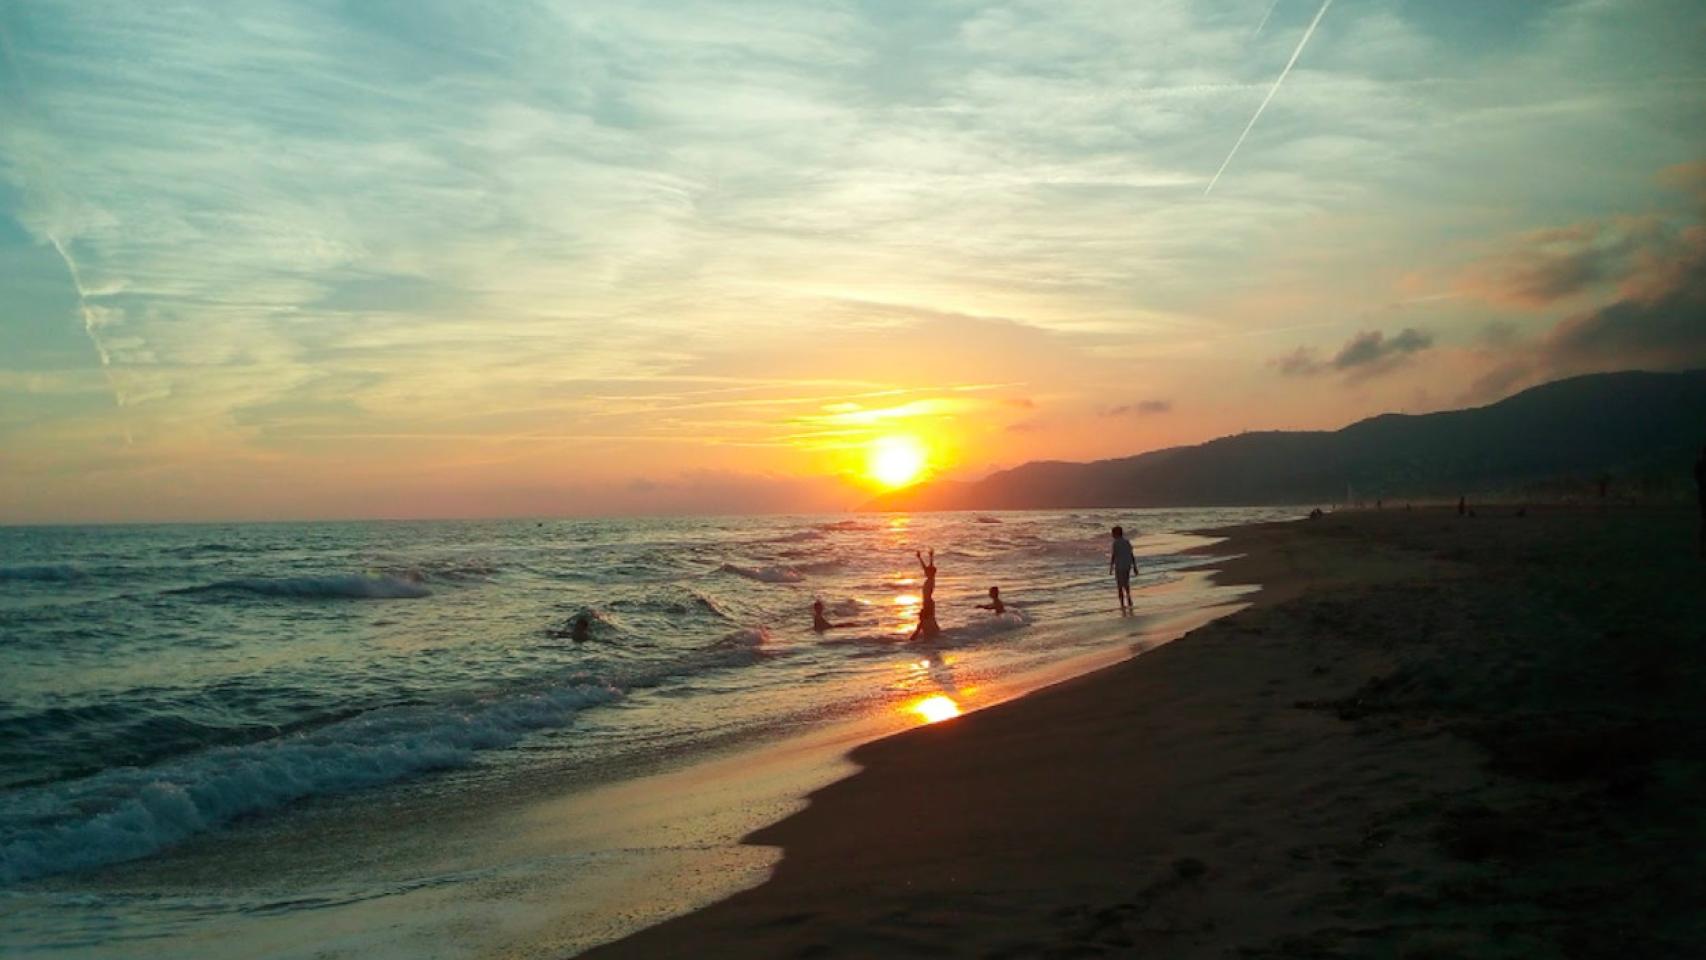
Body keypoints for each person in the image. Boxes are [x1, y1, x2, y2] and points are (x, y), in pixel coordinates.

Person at [909, 548, 941, 641]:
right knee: (928, 620)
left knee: (924, 619)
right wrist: (921, 558)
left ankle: (918, 636)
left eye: (927, 572)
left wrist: (931, 558)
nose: (925, 572)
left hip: (928, 602)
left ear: (931, 573)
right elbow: (927, 568)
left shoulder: (931, 580)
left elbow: (929, 568)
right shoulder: (929, 578)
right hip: (927, 602)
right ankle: (932, 635)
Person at [1109, 526, 1137, 615]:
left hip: (1119, 567)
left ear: (1116, 534)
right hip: (1127, 565)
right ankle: (1129, 599)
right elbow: (1131, 554)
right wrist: (1135, 567)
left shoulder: (1115, 543)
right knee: (1126, 583)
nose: (1112, 535)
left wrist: (1111, 567)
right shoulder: (1127, 542)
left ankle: (1122, 604)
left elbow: (1114, 555)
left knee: (1120, 586)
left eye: (1113, 533)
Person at [1695, 445, 1705, 559]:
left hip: (1702, 496)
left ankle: (1701, 549)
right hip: (1703, 496)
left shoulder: (1698, 465)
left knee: (1703, 523)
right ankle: (1701, 549)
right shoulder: (1700, 466)